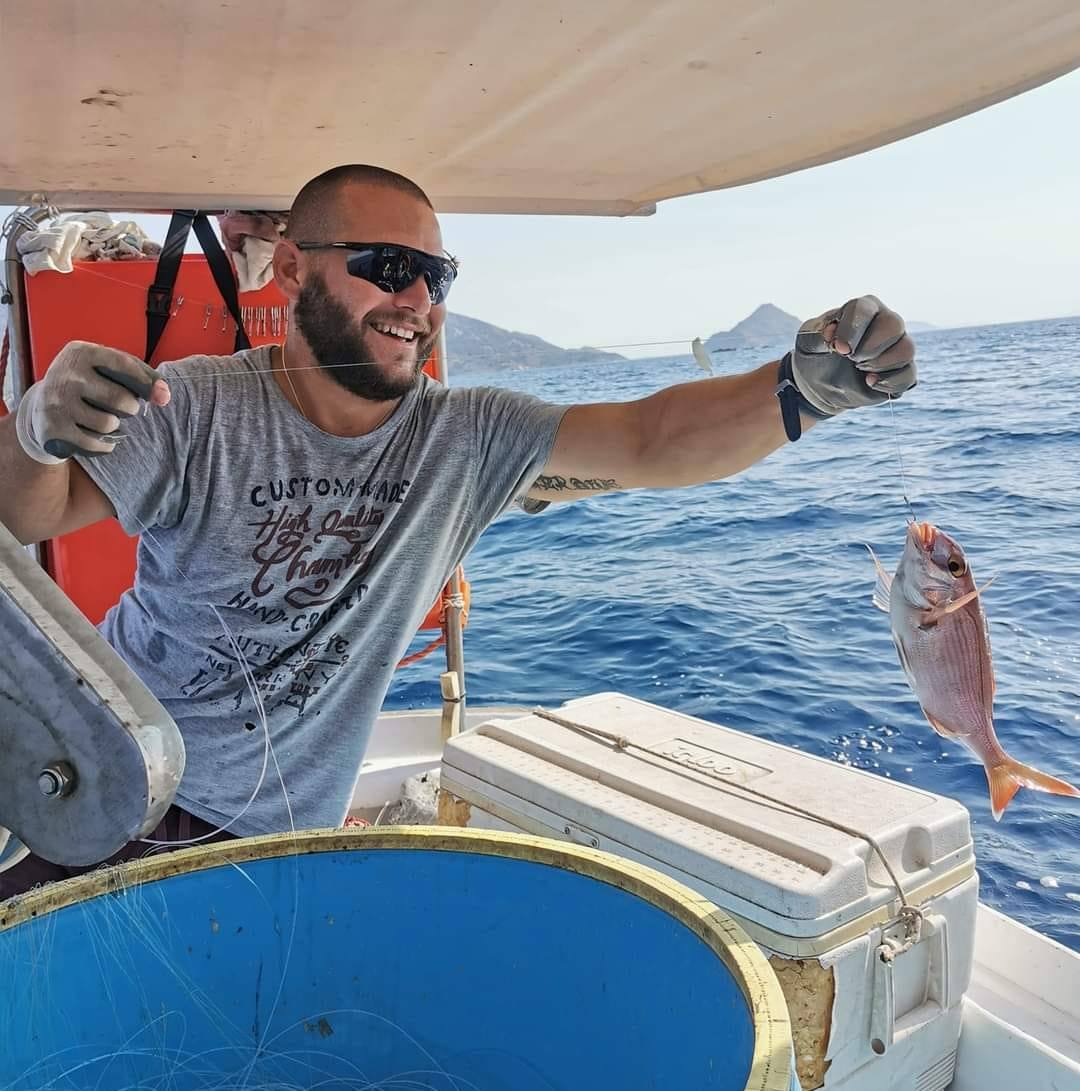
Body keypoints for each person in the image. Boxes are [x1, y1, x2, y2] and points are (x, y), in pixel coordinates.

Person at [0, 164, 915, 897]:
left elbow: (651, 438)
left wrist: (800, 393)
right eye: (386, 267)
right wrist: (36, 426)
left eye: (435, 276)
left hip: (274, 846)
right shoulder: (194, 405)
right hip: (110, 780)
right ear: (290, 269)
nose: (417, 300)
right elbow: (29, 515)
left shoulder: (468, 439)